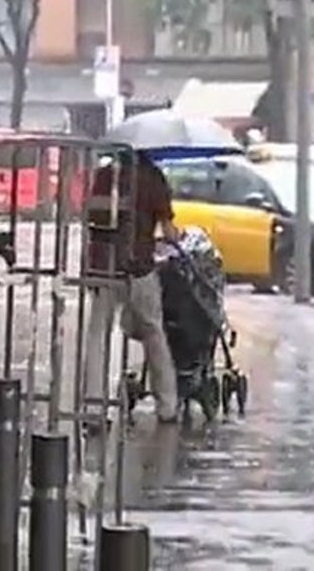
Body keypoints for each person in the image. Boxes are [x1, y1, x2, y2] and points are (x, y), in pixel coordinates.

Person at [84, 150, 180, 425]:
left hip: (103, 267)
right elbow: (168, 228)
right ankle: (167, 405)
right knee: (153, 332)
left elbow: (92, 217)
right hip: (139, 267)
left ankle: (93, 409)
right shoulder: (153, 178)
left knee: (97, 336)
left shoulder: (104, 175)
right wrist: (173, 238)